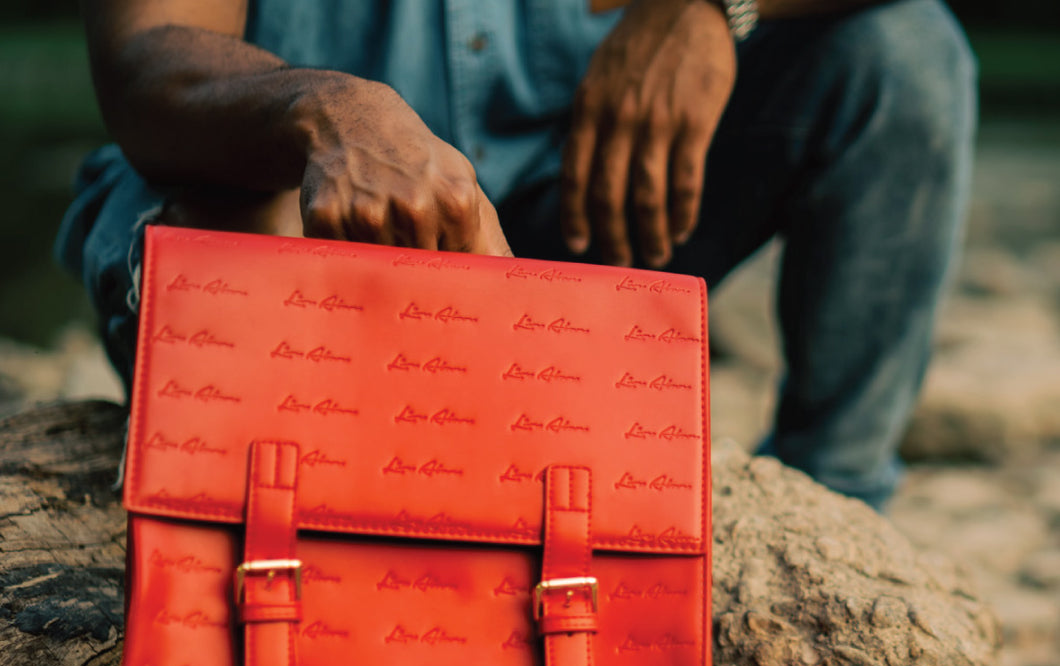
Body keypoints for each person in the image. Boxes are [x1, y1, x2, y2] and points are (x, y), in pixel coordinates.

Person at [56, 0, 976, 511]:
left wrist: (714, 4)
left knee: (903, 51)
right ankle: (265, 536)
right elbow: (144, 60)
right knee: (214, 220)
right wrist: (328, 110)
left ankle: (834, 517)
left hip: (585, 220)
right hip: (312, 241)